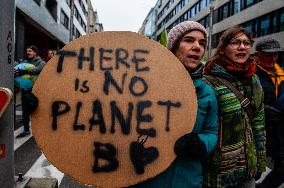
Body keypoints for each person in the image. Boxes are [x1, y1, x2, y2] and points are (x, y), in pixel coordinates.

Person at [131, 21, 218, 187]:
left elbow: (211, 131)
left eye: (202, 43)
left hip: (186, 180)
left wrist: (201, 143)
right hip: (143, 180)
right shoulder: (144, 84)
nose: (197, 46)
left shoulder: (207, 93)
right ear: (173, 47)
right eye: (189, 40)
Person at [203, 26, 266, 187]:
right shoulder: (208, 80)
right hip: (217, 171)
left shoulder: (254, 79)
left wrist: (259, 160)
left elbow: (258, 123)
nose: (242, 47)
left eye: (246, 43)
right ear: (223, 49)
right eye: (235, 42)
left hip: (247, 169)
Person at [254, 38, 284, 188]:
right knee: (256, 168)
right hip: (260, 130)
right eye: (268, 54)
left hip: (279, 129)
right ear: (258, 54)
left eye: (276, 54)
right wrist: (263, 108)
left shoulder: (281, 73)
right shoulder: (251, 74)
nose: (273, 58)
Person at [15, 45, 45, 138]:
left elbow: (37, 70)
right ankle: (26, 130)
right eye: (27, 51)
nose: (28, 53)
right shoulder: (25, 62)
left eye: (30, 51)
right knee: (25, 111)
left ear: (35, 53)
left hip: (36, 91)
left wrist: (23, 71)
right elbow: (18, 72)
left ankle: (40, 131)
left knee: (36, 111)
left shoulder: (41, 63)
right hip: (25, 90)